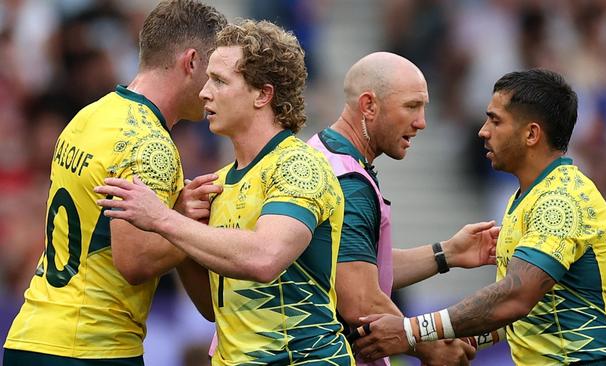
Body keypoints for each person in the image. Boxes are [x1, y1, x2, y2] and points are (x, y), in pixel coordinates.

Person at [94, 20, 354, 365]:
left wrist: (163, 219)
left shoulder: (298, 165)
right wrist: (183, 232)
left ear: (263, 94)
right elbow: (212, 307)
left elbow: (264, 258)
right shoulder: (215, 184)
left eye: (219, 81)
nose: (203, 92)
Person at [353, 69, 606, 366]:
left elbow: (516, 297)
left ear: (532, 134)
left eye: (496, 120)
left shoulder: (561, 200)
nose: (483, 131)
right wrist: (464, 339)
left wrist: (411, 331)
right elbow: (531, 311)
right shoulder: (525, 197)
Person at [2, 1, 227, 365]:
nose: (212, 90)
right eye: (214, 74)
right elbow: (134, 260)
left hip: (31, 335)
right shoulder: (150, 144)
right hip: (92, 346)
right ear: (191, 62)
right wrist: (183, 223)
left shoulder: (88, 116)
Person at [307, 52, 502, 366]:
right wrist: (427, 345)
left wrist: (448, 253)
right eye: (411, 106)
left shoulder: (321, 152)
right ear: (369, 105)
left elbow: (354, 265)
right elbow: (360, 299)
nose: (422, 122)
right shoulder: (349, 182)